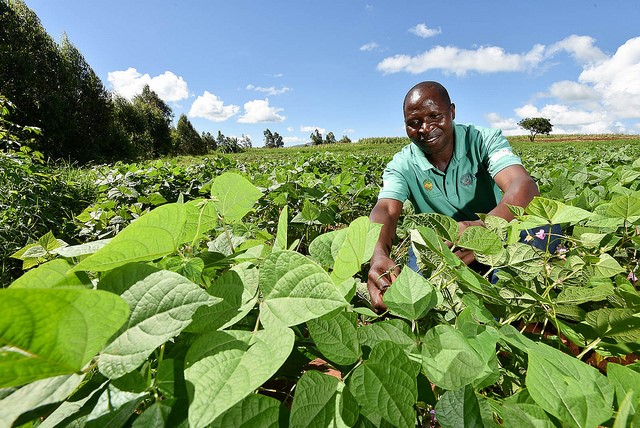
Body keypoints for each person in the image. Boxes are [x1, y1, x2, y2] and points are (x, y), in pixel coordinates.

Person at [367, 81, 540, 311]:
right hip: (442, 247)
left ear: (452, 111)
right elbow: (386, 209)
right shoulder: (403, 164)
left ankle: (507, 316)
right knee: (419, 301)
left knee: (541, 234)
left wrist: (481, 231)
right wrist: (378, 254)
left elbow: (522, 185)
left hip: (496, 233)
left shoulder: (482, 140)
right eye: (414, 123)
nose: (425, 128)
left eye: (435, 116)